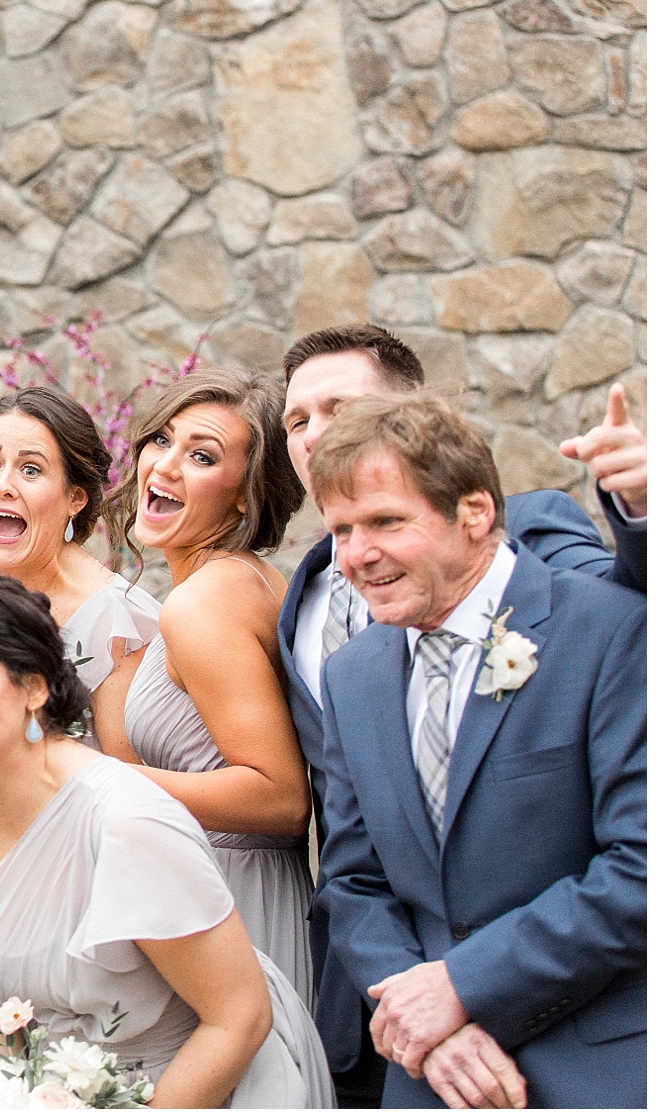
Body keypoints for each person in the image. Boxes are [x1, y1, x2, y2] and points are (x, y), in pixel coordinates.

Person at [274, 323, 647, 1107]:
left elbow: (639, 866)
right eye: (341, 530)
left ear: (475, 511)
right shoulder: (354, 673)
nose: (355, 554)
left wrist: (466, 986)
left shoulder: (605, 627)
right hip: (427, 1076)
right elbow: (353, 880)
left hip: (600, 1067)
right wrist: (429, 1023)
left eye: (385, 522)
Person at [0, 571, 333, 1107]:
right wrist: (11, 1105)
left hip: (201, 1085)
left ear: (33, 686)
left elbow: (239, 1017)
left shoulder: (128, 821)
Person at [107, 368, 314, 1004]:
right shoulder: (249, 580)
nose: (163, 466)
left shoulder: (204, 603)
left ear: (247, 497)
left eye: (201, 456)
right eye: (161, 440)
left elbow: (281, 798)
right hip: (225, 886)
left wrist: (99, 785)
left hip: (234, 900)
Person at [0, 386, 160, 756]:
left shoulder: (119, 626)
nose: (2, 486)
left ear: (76, 498)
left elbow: (126, 785)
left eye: (31, 469)